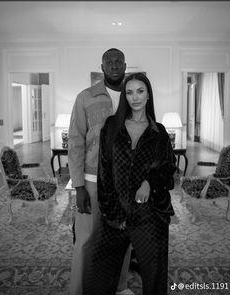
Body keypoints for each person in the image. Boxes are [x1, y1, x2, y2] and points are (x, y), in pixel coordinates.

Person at [82, 73, 177, 295]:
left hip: (150, 215)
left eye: (140, 91)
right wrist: (111, 212)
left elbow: (168, 170)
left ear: (148, 95)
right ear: (125, 96)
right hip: (115, 215)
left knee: (154, 280)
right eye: (130, 92)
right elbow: (104, 171)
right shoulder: (111, 126)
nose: (135, 97)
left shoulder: (159, 132)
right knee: (99, 278)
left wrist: (149, 183)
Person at [68, 48, 134, 295]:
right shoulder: (85, 97)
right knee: (86, 239)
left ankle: (119, 286)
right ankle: (78, 290)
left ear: (125, 65)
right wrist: (79, 186)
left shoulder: (134, 95)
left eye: (119, 61)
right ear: (103, 66)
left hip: (125, 182)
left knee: (123, 237)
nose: (115, 65)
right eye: (110, 62)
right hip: (93, 180)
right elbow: (75, 142)